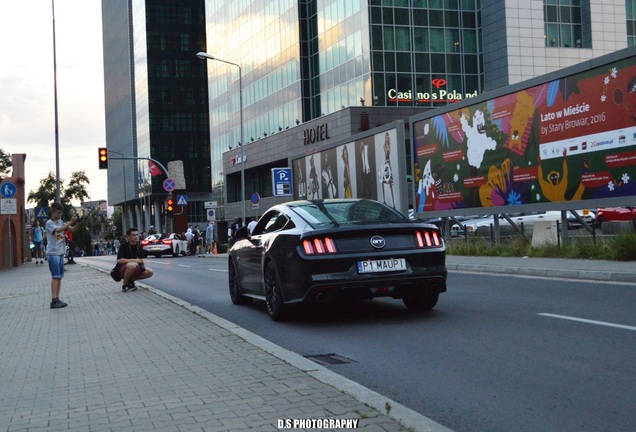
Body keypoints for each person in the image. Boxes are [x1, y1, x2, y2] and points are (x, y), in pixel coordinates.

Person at [45, 203, 79, 309]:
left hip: (60, 252)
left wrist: (78, 222)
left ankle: (57, 298)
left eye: (61, 212)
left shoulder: (61, 222)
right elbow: (58, 230)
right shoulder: (49, 223)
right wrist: (70, 222)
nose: (60, 214)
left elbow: (73, 229)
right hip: (53, 253)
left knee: (59, 277)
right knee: (55, 276)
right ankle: (53, 300)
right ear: (53, 211)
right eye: (58, 212)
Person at [116, 227, 154, 292]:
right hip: (123, 268)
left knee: (150, 272)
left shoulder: (138, 246)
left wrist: (141, 263)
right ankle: (125, 284)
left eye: (137, 235)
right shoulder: (124, 245)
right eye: (133, 235)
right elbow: (119, 260)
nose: (136, 237)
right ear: (128, 236)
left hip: (135, 266)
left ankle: (131, 280)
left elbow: (141, 258)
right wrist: (135, 260)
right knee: (133, 265)